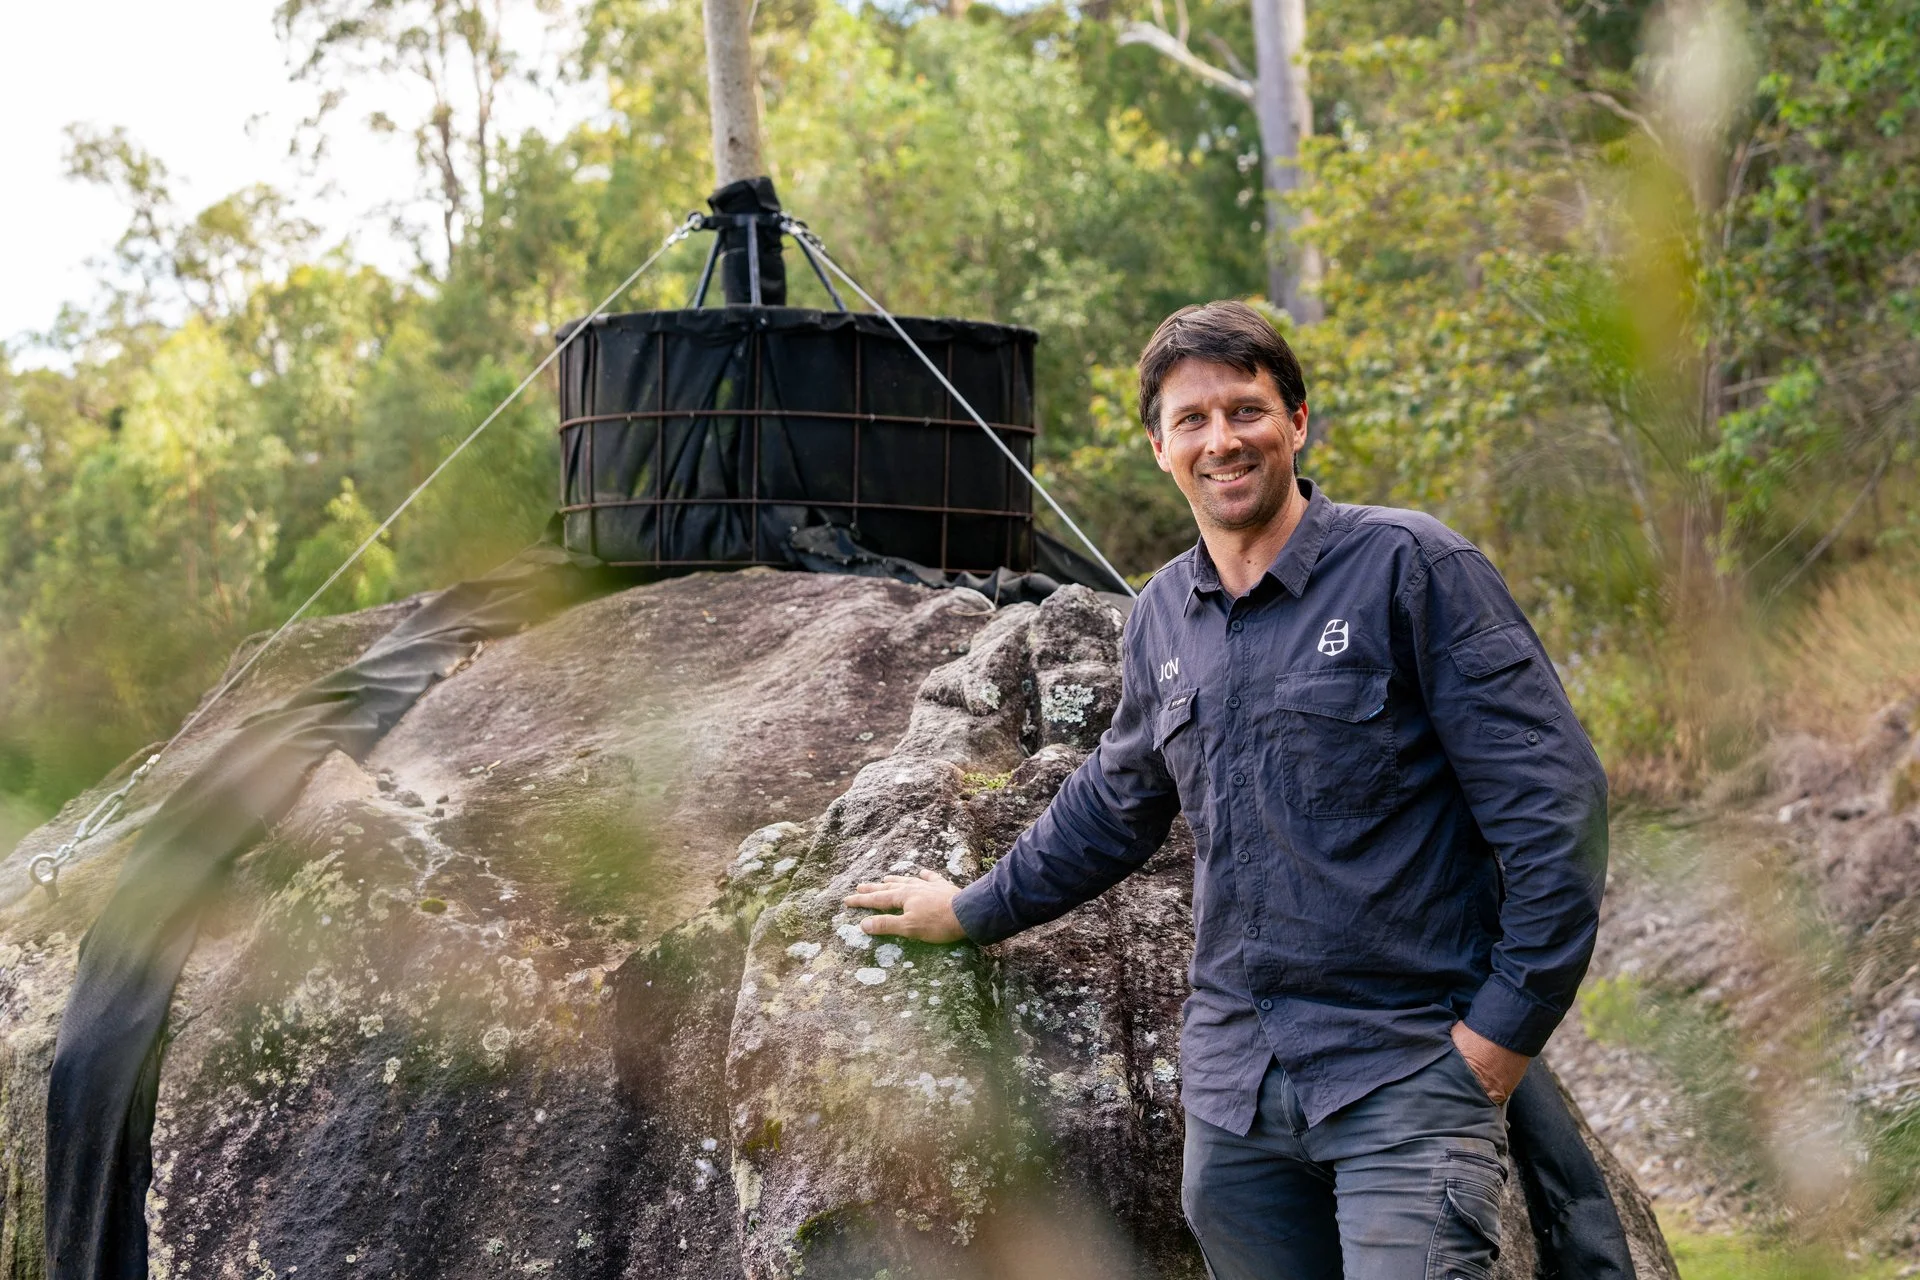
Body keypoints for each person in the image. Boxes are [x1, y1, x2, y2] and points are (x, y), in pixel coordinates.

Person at [843, 299, 1608, 1280]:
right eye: (1191, 419)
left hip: (1405, 1076)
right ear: (1158, 446)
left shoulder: (1411, 569)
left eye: (1245, 409)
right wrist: (970, 909)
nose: (1222, 439)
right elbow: (1113, 803)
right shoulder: (1164, 613)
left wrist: (1497, 1039)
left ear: (1295, 420)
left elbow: (1558, 812)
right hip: (1236, 1100)